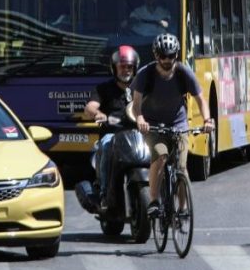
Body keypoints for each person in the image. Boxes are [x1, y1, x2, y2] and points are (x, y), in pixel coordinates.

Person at [131, 34, 213, 217]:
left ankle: (182, 209)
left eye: (171, 56)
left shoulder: (184, 73)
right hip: (153, 126)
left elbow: (201, 100)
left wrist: (207, 120)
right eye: (163, 56)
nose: (167, 61)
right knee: (160, 156)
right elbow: (136, 105)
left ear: (176, 55)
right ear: (156, 56)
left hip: (178, 124)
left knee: (182, 167)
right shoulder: (146, 74)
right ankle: (153, 201)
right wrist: (140, 119)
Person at [82, 45, 140, 208]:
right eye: (122, 66)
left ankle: (160, 196)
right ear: (114, 68)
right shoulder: (103, 88)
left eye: (129, 67)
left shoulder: (140, 88)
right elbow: (90, 107)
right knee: (106, 145)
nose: (126, 70)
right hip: (113, 134)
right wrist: (97, 114)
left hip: (137, 135)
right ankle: (103, 193)